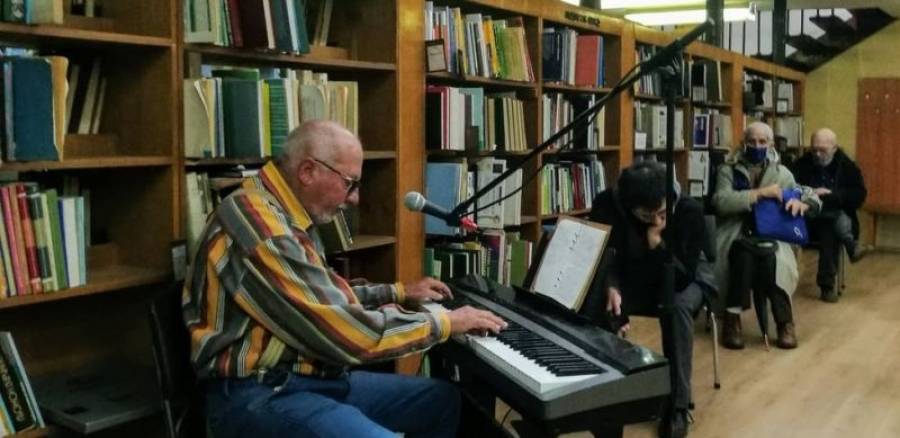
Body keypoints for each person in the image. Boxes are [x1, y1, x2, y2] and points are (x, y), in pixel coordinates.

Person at [182, 120, 506, 438]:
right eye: (349, 183)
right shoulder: (264, 229)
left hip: (309, 380)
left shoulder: (282, 211)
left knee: (442, 402)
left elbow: (317, 295)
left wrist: (396, 292)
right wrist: (446, 323)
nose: (354, 198)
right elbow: (345, 333)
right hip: (257, 394)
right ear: (308, 171)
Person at [582, 161, 716, 438]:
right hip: (634, 275)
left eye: (661, 213)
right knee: (599, 303)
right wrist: (612, 286)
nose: (656, 221)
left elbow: (683, 277)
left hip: (683, 276)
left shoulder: (688, 210)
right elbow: (603, 254)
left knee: (675, 308)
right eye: (646, 215)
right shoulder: (607, 204)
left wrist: (657, 243)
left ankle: (677, 406)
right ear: (629, 207)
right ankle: (603, 401)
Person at [712, 122, 821, 350]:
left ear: (771, 144)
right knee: (743, 255)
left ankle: (784, 323)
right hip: (737, 232)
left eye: (762, 142)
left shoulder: (782, 173)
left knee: (773, 259)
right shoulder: (728, 170)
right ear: (743, 143)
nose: (757, 146)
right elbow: (721, 202)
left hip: (772, 234)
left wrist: (804, 204)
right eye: (752, 141)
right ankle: (732, 319)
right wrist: (759, 194)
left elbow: (808, 194)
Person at [790, 128, 868, 303]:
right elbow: (789, 188)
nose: (817, 154)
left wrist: (832, 196)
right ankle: (851, 245)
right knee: (829, 221)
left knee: (829, 228)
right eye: (814, 149)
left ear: (834, 148)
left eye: (823, 150)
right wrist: (812, 193)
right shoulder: (802, 164)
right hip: (805, 219)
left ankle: (827, 285)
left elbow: (859, 196)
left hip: (833, 222)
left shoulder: (848, 167)